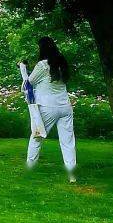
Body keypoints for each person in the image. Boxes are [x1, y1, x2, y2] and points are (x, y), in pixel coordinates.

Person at [24, 36, 77, 182]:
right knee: (68, 141)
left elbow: (29, 83)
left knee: (37, 136)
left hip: (47, 107)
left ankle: (30, 166)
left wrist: (23, 69)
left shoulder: (42, 65)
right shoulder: (61, 63)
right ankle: (71, 173)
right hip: (65, 106)